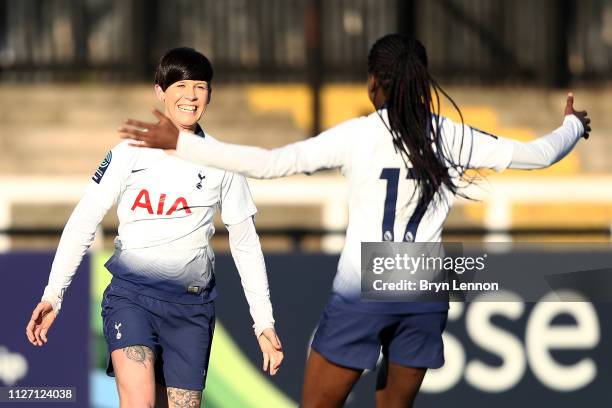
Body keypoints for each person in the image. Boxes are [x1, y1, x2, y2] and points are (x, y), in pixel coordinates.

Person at [119, 35, 591, 407]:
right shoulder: (454, 135)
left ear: (372, 83)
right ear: (423, 80)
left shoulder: (362, 135)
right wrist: (573, 125)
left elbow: (269, 162)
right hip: (423, 282)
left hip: (366, 281)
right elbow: (539, 153)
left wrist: (181, 143)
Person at [26, 47, 283, 408]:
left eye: (200, 86)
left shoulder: (223, 161)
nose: (190, 96)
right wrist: (54, 294)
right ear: (160, 91)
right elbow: (84, 220)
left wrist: (263, 322)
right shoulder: (129, 151)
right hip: (132, 298)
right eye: (180, 85)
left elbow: (245, 244)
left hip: (191, 309)